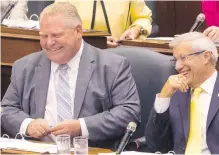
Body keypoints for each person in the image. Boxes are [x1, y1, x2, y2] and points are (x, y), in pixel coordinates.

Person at [1, 2, 140, 150]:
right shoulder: (24, 67)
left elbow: (129, 113)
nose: (49, 43)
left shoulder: (112, 66)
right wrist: (27, 124)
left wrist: (81, 127)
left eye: (56, 35)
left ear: (78, 31)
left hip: (90, 151)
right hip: (38, 151)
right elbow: (7, 109)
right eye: (43, 36)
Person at [145, 32, 219, 154]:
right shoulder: (175, 93)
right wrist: (163, 98)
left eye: (183, 58)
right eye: (175, 60)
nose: (178, 67)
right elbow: (156, 145)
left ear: (206, 56)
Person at [55, 0, 152, 47]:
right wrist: (97, 42)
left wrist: (136, 28)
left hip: (119, 55)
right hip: (78, 54)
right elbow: (57, 25)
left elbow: (143, 18)